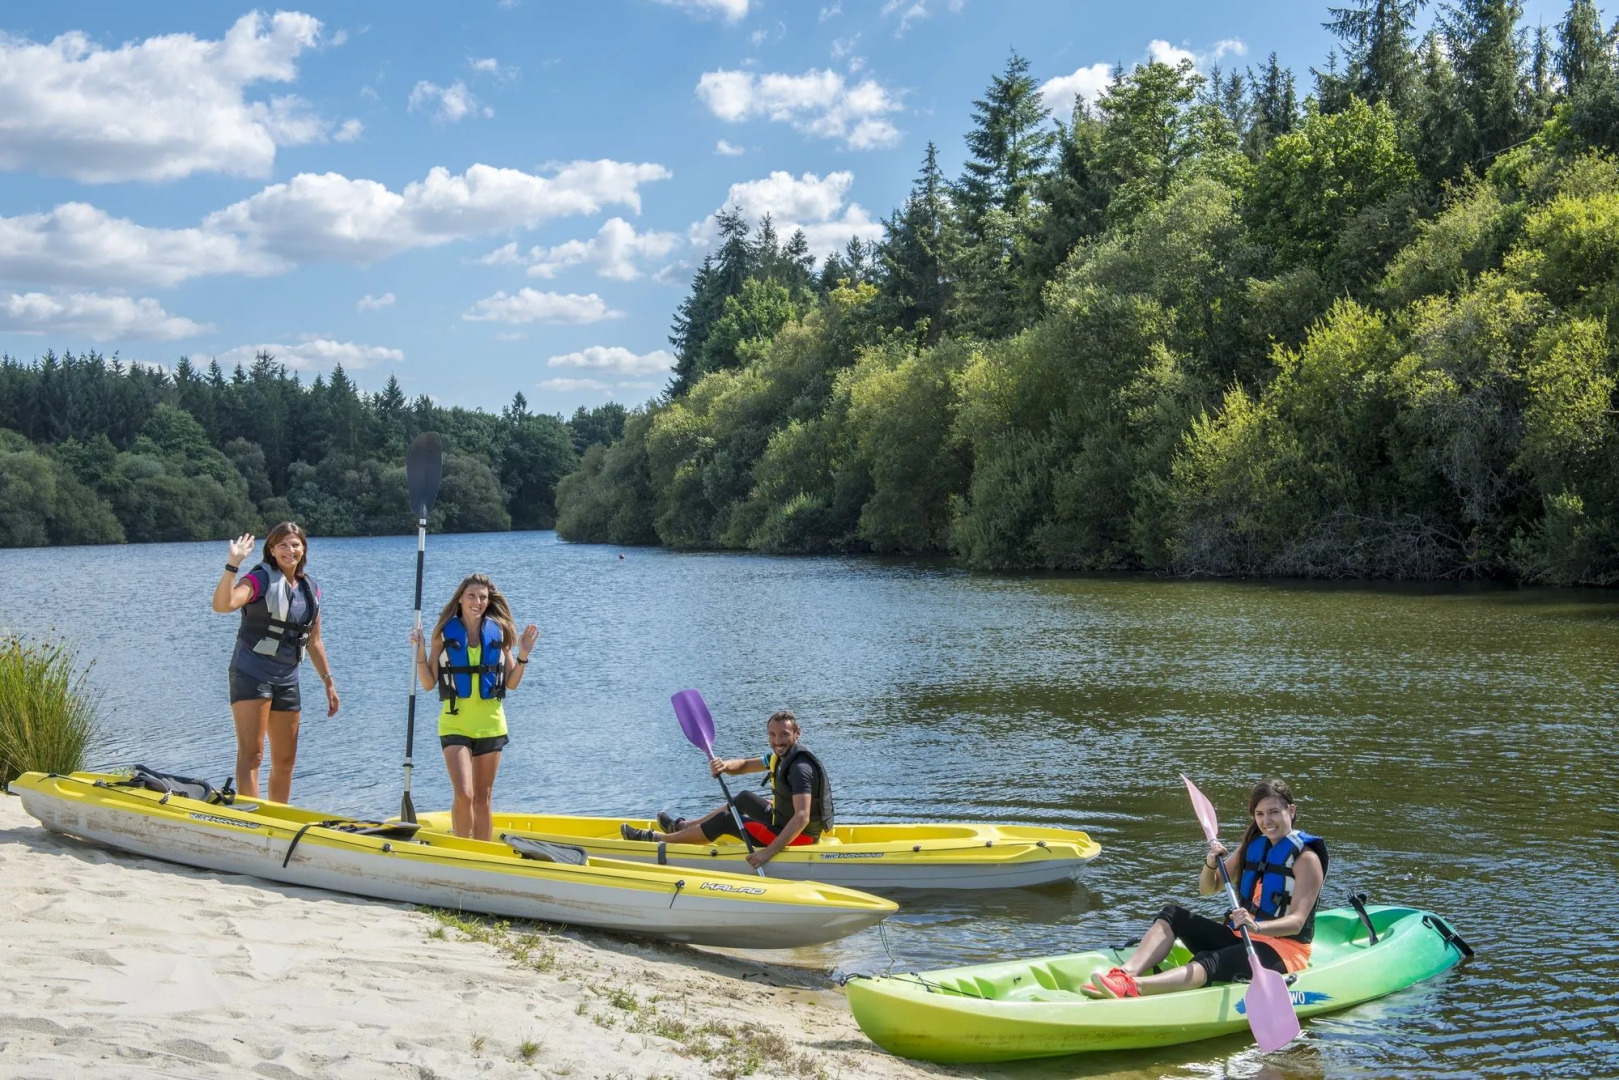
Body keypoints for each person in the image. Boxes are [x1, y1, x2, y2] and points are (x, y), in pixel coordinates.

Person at [1083, 777, 1327, 999]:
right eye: (1260, 814)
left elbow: (1296, 921)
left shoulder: (1306, 859)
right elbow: (1208, 888)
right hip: (1241, 936)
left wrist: (1257, 926)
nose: (1266, 821)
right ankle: (1123, 975)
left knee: (1209, 960)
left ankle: (1136, 987)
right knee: (1173, 914)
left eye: (1274, 812)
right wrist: (1211, 863)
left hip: (1284, 950)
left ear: (1291, 811)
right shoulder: (1254, 847)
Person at [211, 524, 339, 803]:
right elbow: (224, 605)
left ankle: (278, 820)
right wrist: (233, 565)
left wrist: (329, 683)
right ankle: (251, 817)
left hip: (287, 679)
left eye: (295, 544)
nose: (289, 550)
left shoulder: (310, 589)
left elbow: (314, 642)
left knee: (285, 760)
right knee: (253, 754)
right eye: (282, 545)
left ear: (303, 549)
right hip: (251, 673)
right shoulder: (259, 580)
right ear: (271, 550)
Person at [410, 573, 539, 841]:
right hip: (454, 722)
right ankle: (461, 850)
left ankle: (482, 854)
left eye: (482, 597)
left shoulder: (499, 631)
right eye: (471, 596)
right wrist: (420, 654)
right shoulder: (443, 632)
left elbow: (512, 683)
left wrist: (523, 655)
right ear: (460, 598)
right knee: (464, 794)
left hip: (491, 724)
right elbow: (427, 683)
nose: (477, 601)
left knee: (483, 798)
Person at [620, 710, 834, 869]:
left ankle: (656, 839)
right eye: (772, 735)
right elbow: (742, 766)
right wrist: (723, 765)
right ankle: (682, 827)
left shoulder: (800, 768)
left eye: (784, 734)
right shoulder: (778, 757)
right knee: (743, 798)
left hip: (799, 837)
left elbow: (802, 817)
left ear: (797, 734)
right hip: (782, 821)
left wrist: (768, 853)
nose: (777, 741)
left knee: (726, 820)